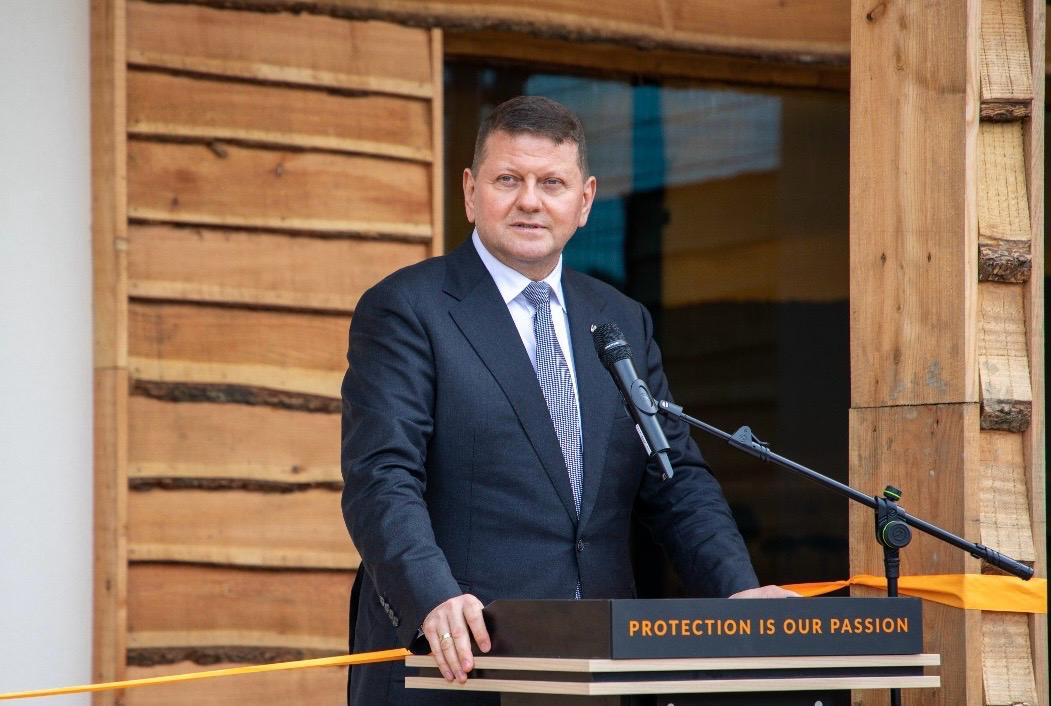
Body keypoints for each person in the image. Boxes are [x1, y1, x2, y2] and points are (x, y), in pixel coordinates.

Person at [340, 95, 792, 705]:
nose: (530, 201)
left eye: (551, 182)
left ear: (584, 201)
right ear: (471, 192)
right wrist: (432, 596)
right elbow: (381, 476)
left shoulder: (620, 318)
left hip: (599, 665)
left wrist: (737, 592)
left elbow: (675, 477)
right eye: (508, 180)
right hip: (458, 663)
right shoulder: (407, 309)